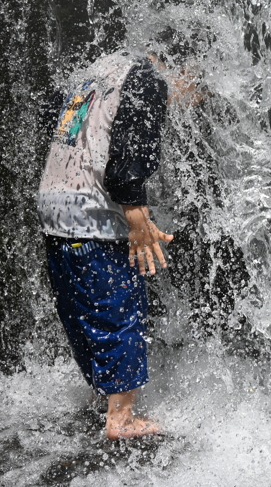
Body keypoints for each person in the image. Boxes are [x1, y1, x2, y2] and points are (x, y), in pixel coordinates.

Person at [37, 47, 172, 440]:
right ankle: (122, 418)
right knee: (120, 311)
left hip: (54, 205)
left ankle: (104, 396)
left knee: (81, 310)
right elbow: (131, 150)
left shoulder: (100, 68)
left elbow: (54, 114)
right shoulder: (149, 79)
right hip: (94, 213)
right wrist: (135, 212)